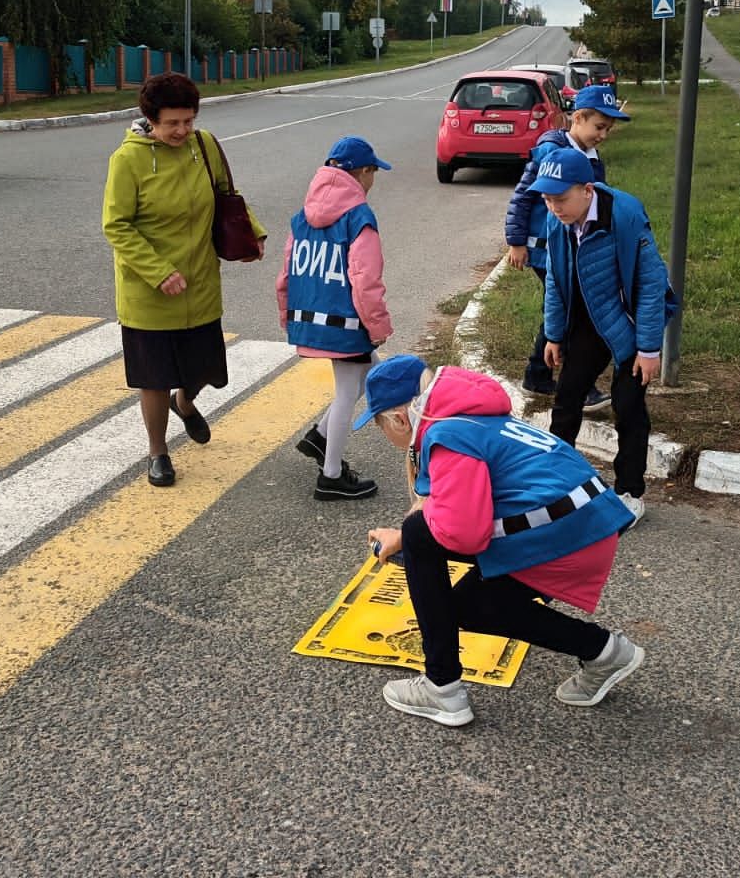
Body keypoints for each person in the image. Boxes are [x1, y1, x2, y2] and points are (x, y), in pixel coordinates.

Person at [355, 355, 644, 728]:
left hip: (565, 534)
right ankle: (606, 652)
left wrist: (408, 540)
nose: (386, 437)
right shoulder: (469, 413)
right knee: (472, 605)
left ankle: (442, 687)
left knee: (419, 538)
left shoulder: (447, 435)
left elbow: (461, 532)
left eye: (380, 427)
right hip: (585, 523)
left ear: (398, 418)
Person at [102, 72, 265, 489]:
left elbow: (227, 194)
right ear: (150, 120)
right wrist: (159, 272)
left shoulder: (204, 146)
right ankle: (158, 452)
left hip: (200, 283)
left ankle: (185, 401)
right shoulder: (128, 160)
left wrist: (253, 234)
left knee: (202, 368)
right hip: (148, 293)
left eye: (188, 121)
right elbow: (117, 226)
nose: (182, 131)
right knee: (153, 377)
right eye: (172, 123)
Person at [531, 147, 676, 527]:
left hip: (627, 323)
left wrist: (647, 348)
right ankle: (553, 485)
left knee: (628, 407)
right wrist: (554, 334)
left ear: (587, 189)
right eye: (547, 199)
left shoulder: (625, 216)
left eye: (561, 198)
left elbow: (650, 284)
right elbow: (555, 282)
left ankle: (629, 492)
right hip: (586, 320)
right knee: (566, 400)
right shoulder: (556, 220)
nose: (554, 207)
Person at [278, 135, 393, 501]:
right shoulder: (360, 217)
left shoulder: (301, 219)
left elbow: (285, 275)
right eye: (373, 172)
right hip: (346, 321)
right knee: (349, 390)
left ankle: (320, 438)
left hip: (309, 318)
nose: (373, 181)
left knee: (367, 378)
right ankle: (330, 476)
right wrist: (377, 326)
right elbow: (365, 279)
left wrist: (288, 318)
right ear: (362, 172)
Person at [504, 85, 629, 407]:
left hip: (572, 248)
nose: (603, 135)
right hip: (546, 248)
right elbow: (523, 196)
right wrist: (516, 241)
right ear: (578, 118)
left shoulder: (591, 157)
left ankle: (537, 375)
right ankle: (578, 384)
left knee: (563, 309)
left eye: (608, 130)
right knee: (571, 310)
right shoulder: (551, 150)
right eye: (599, 127)